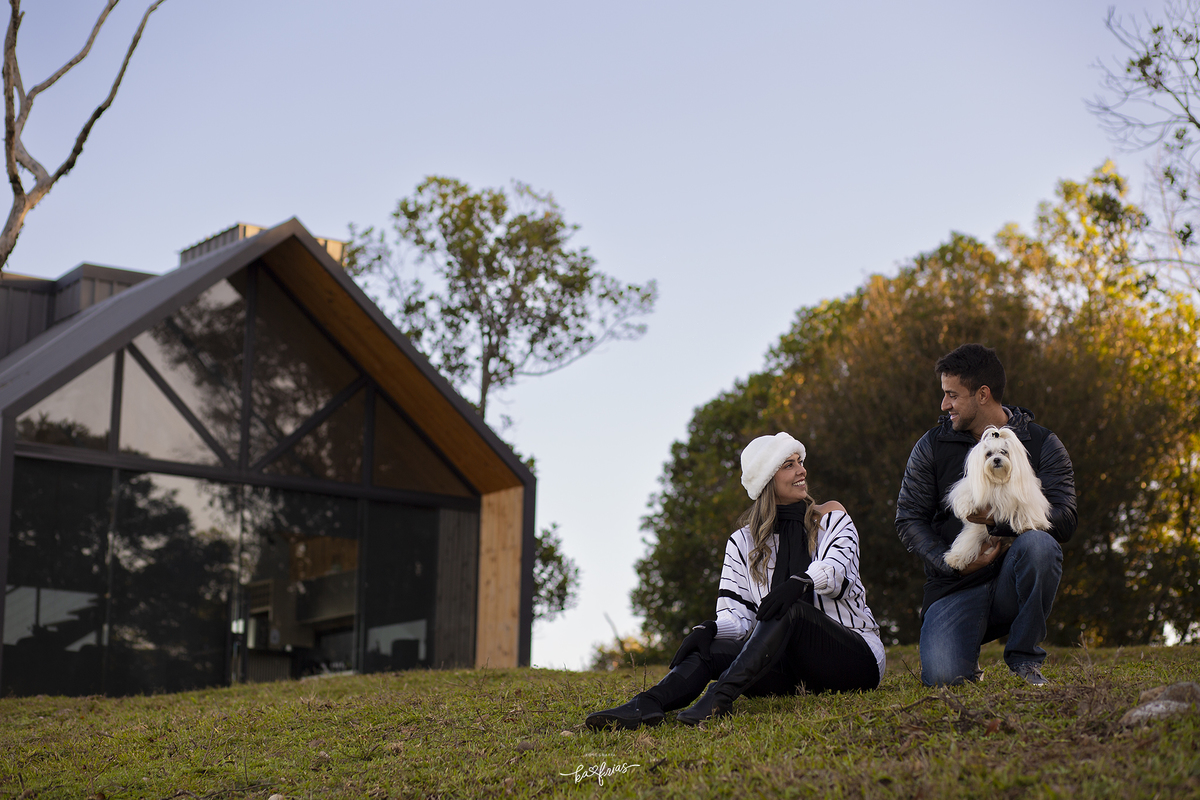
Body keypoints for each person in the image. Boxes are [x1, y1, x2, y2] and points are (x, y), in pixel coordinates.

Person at [585, 432, 885, 730]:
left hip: (853, 661)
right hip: (788, 671)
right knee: (709, 647)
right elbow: (738, 616)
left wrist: (801, 583)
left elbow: (839, 571)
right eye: (788, 465)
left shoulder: (830, 517)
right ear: (767, 480)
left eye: (800, 461)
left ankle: (720, 697)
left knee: (789, 607)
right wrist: (711, 628)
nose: (802, 470)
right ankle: (647, 704)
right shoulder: (743, 542)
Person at [895, 343, 1077, 687]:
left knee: (1040, 547)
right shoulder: (932, 445)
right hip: (954, 586)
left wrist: (998, 522)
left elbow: (1065, 519)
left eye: (952, 395)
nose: (944, 405)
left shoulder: (1042, 443)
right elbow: (908, 519)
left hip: (1013, 578)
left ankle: (1024, 658)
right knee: (945, 678)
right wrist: (951, 562)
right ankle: (963, 652)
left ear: (982, 394)